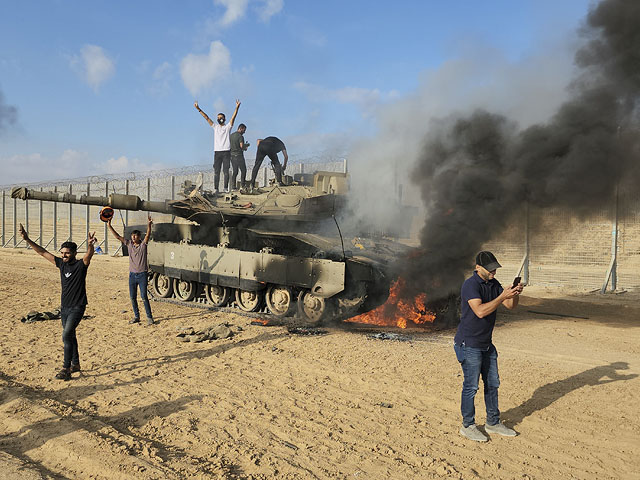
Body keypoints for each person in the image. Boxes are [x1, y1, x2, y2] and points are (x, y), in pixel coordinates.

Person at [453, 251, 524, 442]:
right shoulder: (470, 285)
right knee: (471, 387)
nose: (494, 271)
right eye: (490, 268)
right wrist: (502, 296)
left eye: (495, 268)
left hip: (486, 344)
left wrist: (514, 294)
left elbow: (511, 306)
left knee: (493, 384)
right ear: (478, 268)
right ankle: (467, 425)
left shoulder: (494, 284)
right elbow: (480, 311)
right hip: (469, 344)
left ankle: (493, 422)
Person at [18, 223, 96, 381]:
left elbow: (89, 255)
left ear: (74, 253)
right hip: (64, 308)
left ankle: (66, 368)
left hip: (77, 307)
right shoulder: (61, 264)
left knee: (66, 335)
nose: (64, 256)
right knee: (70, 335)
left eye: (67, 253)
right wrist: (27, 239)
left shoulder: (81, 265)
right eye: (62, 253)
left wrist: (90, 246)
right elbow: (42, 252)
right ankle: (76, 364)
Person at [107, 215, 154, 325]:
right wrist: (109, 226)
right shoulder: (129, 244)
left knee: (144, 297)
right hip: (132, 275)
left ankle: (149, 317)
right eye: (132, 236)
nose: (133, 238)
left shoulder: (143, 245)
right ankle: (136, 316)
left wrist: (149, 225)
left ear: (139, 237)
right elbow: (118, 237)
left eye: (135, 236)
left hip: (142, 275)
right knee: (132, 297)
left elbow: (147, 235)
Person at [194, 99, 241, 193]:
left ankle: (225, 188)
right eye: (218, 117)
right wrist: (198, 109)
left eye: (221, 117)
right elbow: (207, 118)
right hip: (217, 152)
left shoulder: (227, 127)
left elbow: (233, 117)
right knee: (216, 171)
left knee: (226, 171)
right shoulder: (215, 127)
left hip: (226, 152)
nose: (219, 119)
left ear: (224, 118)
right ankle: (216, 188)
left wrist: (237, 108)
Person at [229, 123, 249, 191]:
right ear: (240, 128)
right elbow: (241, 146)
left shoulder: (231, 135)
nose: (244, 132)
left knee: (235, 171)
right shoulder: (240, 137)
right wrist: (246, 146)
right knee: (243, 170)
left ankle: (233, 187)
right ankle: (242, 185)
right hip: (239, 156)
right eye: (244, 130)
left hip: (232, 156)